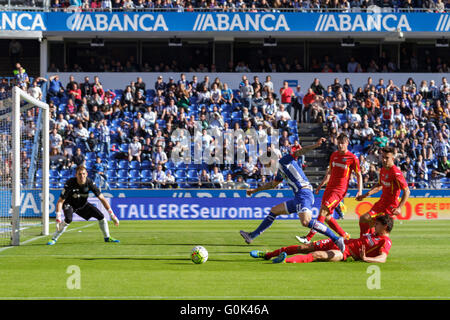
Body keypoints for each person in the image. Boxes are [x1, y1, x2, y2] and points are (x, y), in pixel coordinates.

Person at [239, 138, 346, 253]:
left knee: (305, 222)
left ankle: (336, 239)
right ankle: (252, 236)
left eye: (267, 163)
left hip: (304, 193)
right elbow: (272, 185)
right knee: (274, 210)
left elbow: (299, 152)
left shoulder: (284, 161)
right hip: (298, 196)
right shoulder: (280, 171)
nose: (267, 166)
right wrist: (254, 191)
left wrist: (316, 145)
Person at [296, 134, 362, 244]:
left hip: (339, 190)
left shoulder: (352, 158)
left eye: (343, 143)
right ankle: (345, 236)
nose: (340, 145)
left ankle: (308, 238)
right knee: (327, 217)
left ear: (347, 144)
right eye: (339, 142)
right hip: (329, 188)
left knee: (322, 212)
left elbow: (359, 175)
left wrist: (359, 190)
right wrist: (321, 185)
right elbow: (329, 173)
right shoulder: (334, 155)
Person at [250, 214, 393, 264]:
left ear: (385, 226)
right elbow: (364, 221)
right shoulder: (374, 233)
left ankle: (283, 260)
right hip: (340, 242)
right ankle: (267, 255)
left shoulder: (385, 241)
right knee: (303, 247)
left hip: (345, 253)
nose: (375, 225)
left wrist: (366, 258)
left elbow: (383, 258)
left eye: (378, 224)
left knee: (317, 255)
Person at [47, 166, 120, 245]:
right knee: (68, 219)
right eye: (80, 174)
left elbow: (102, 198)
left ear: (86, 174)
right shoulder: (70, 183)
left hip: (83, 205)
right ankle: (54, 239)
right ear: (76, 175)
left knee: (101, 217)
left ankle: (107, 237)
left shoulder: (90, 183)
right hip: (69, 204)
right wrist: (58, 217)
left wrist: (112, 215)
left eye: (83, 174)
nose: (82, 176)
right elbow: (60, 201)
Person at [356, 146, 410, 237]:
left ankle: (366, 243)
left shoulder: (396, 173)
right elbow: (379, 186)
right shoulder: (383, 169)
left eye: (387, 158)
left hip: (390, 207)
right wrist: (364, 195)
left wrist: (399, 208)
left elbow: (407, 191)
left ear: (392, 158)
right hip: (381, 203)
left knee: (376, 226)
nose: (384, 160)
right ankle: (366, 243)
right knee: (366, 222)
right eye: (383, 157)